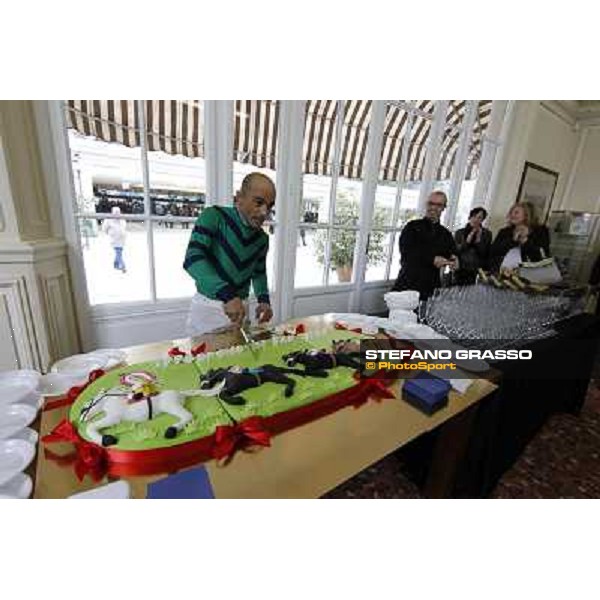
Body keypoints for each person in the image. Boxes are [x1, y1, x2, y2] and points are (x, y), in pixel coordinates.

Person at [183, 172, 275, 336]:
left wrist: (264, 300)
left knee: (238, 360)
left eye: (269, 206)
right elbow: (193, 259)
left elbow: (259, 272)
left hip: (241, 308)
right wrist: (227, 294)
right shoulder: (213, 216)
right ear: (239, 197)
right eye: (259, 202)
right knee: (203, 360)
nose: (264, 212)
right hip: (208, 308)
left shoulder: (262, 239)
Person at [392, 191, 458, 300]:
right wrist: (432, 259)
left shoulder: (446, 234)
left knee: (426, 316)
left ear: (444, 208)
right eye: (431, 203)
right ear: (426, 204)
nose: (433, 207)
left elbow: (452, 252)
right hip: (408, 283)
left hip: (431, 287)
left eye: (438, 205)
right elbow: (407, 254)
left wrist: (455, 259)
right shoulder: (412, 227)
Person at [489, 202, 550, 272]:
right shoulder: (504, 231)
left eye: (516, 213)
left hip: (531, 272)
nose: (512, 215)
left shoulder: (540, 231)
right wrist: (512, 241)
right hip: (503, 272)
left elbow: (542, 255)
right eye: (511, 212)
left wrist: (525, 241)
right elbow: (493, 252)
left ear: (526, 215)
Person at [454, 206, 492, 284]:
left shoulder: (487, 234)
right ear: (470, 217)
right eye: (474, 216)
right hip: (461, 268)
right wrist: (467, 242)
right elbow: (456, 251)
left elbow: (485, 254)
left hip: (477, 270)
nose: (476, 219)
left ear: (482, 220)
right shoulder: (459, 232)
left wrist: (478, 240)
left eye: (479, 218)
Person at [102, 206, 127, 273]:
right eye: (115, 212)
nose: (117, 213)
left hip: (122, 239)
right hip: (114, 239)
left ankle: (115, 264)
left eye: (118, 212)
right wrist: (110, 233)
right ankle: (123, 266)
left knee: (119, 252)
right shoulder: (108, 220)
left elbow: (124, 227)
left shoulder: (122, 219)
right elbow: (104, 228)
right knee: (118, 252)